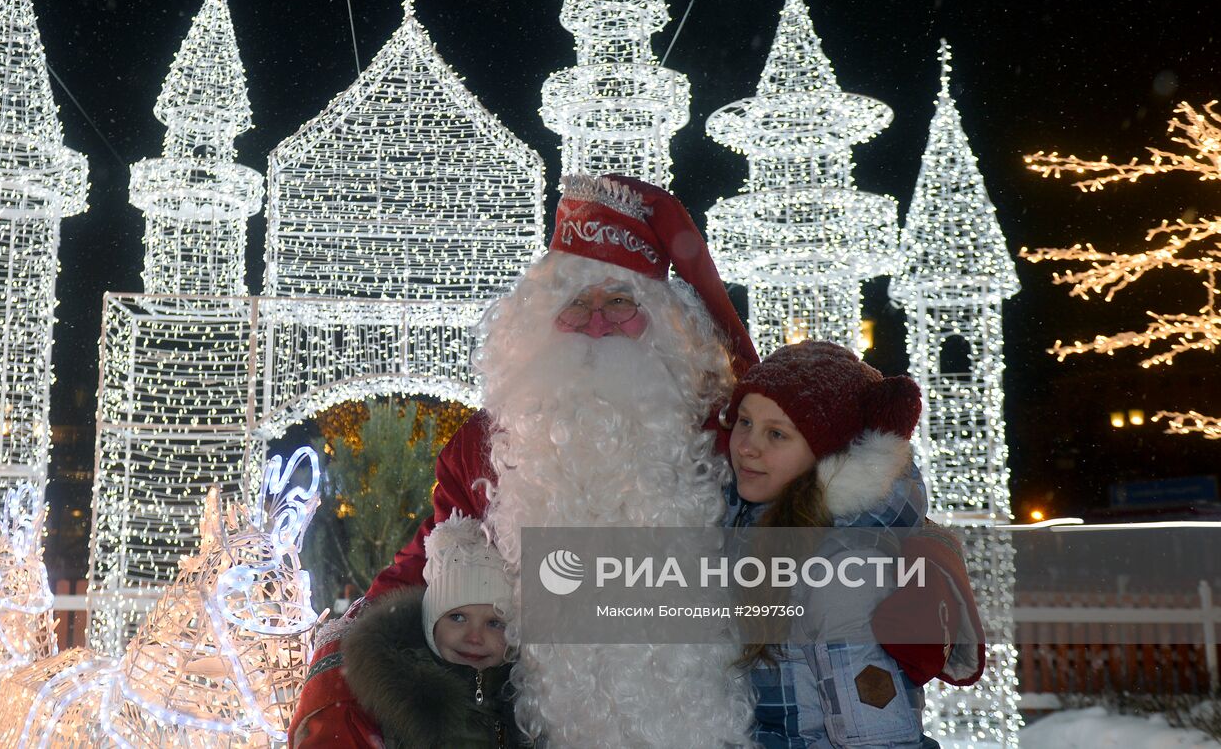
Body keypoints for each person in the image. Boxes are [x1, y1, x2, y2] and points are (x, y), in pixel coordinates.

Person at [290, 175, 982, 748]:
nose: (597, 322)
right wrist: (343, 662)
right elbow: (424, 565)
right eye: (576, 304)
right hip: (547, 723)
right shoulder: (485, 448)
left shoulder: (727, 432)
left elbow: (842, 479)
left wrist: (926, 572)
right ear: (534, 328)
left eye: (621, 304)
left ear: (665, 328)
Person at [723, 340, 981, 748]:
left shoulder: (842, 571)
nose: (747, 446)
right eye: (743, 421)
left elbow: (880, 740)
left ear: (827, 453)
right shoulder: (761, 529)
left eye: (777, 433)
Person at [336, 512, 524, 749]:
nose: (474, 637)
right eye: (457, 617)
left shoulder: (525, 702)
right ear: (430, 623)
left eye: (494, 623)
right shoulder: (402, 699)